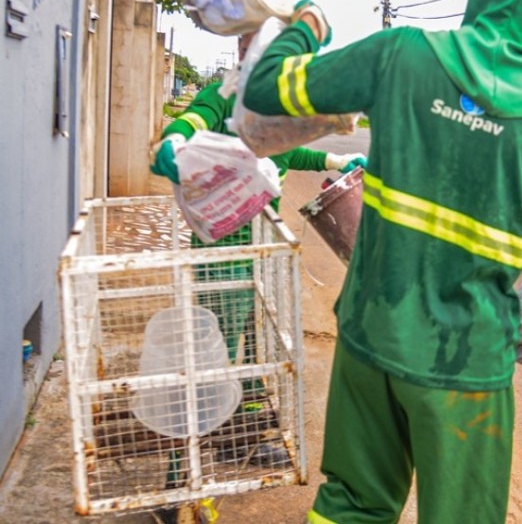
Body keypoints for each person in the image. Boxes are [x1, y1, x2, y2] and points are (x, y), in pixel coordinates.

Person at [242, 0, 522, 524]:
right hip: (465, 365)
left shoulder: (402, 53)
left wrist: (307, 22)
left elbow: (265, 89)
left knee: (351, 505)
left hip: (370, 335)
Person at [148, 33, 365, 468]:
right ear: (245, 55)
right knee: (216, 351)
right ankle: (182, 468)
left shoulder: (276, 109)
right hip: (223, 252)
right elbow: (193, 119)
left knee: (256, 343)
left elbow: (286, 154)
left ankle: (241, 437)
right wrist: (171, 140)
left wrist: (337, 162)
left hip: (259, 247)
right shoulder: (223, 97)